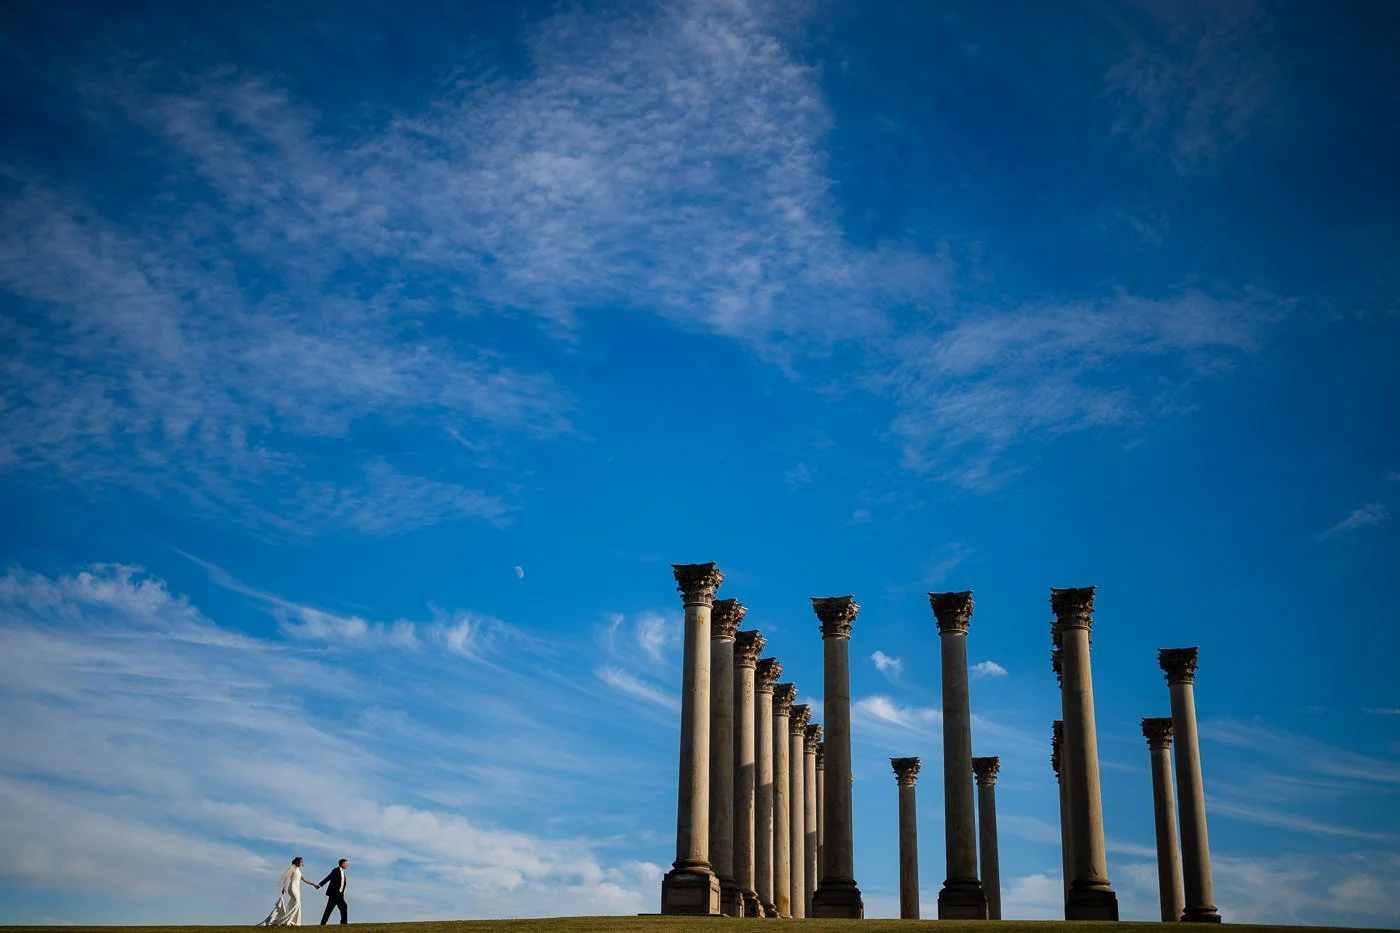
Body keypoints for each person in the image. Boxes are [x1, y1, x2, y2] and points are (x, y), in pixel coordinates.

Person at [260, 857, 320, 926]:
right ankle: (289, 919)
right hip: (292, 888)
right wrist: (284, 887)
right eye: (301, 862)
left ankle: (293, 920)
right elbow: (287, 877)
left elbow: (305, 879)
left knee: (295, 903)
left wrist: (314, 884)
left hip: (297, 889)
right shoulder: (293, 868)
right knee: (298, 902)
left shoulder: (299, 871)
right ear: (297, 862)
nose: (302, 863)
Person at [318, 858, 350, 925]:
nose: (347, 865)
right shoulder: (336, 870)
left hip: (340, 895)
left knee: (344, 907)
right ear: (342, 864)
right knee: (329, 909)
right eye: (346, 863)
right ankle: (323, 923)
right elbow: (328, 878)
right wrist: (320, 885)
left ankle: (344, 922)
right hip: (334, 894)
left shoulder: (343, 872)